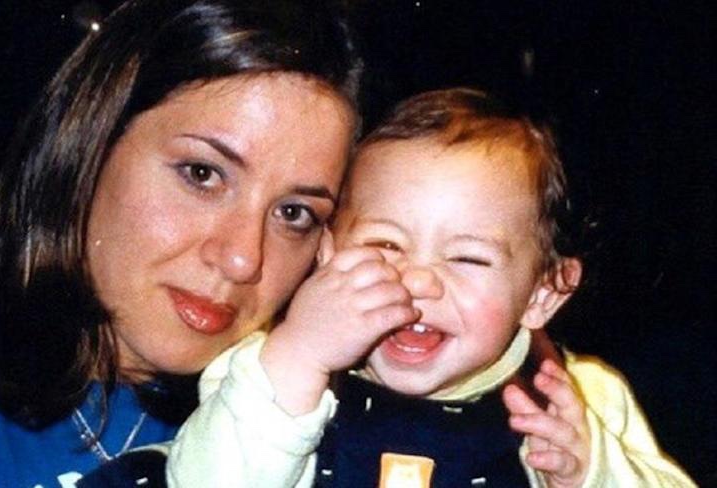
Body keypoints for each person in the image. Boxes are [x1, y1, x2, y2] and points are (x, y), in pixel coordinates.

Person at [0, 1, 364, 486]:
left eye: (294, 214)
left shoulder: (330, 434)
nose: (242, 258)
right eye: (202, 174)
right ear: (87, 151)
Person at [165, 88, 696, 487]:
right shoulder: (265, 373)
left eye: (467, 258)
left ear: (542, 294)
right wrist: (299, 359)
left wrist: (592, 472)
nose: (416, 280)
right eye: (384, 245)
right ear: (327, 253)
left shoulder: (580, 400)